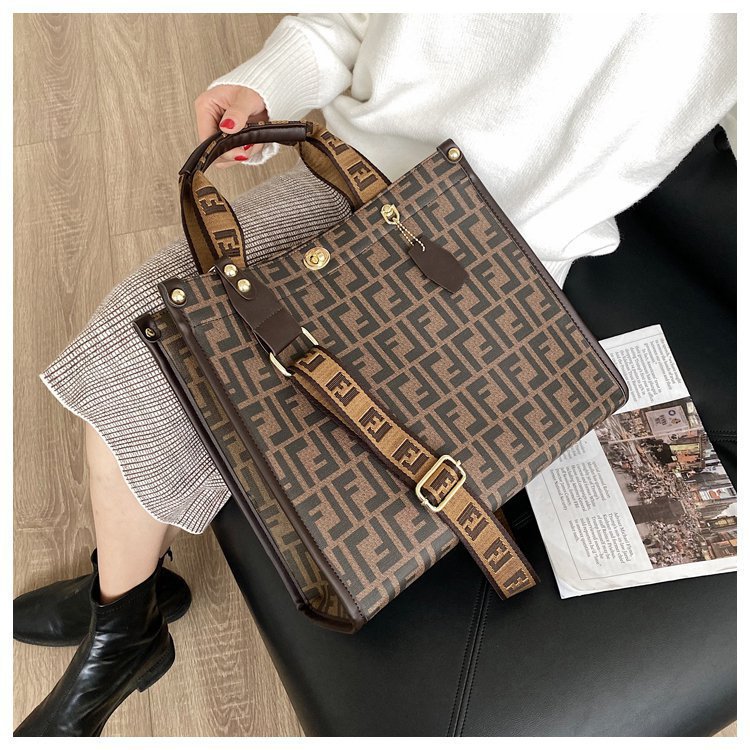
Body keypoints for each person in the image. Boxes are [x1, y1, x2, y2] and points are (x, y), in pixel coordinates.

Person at [14, 13, 736, 737]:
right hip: (361, 179)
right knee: (144, 347)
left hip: (507, 257)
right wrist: (262, 84)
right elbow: (349, 19)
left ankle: (126, 612)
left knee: (191, 375)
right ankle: (126, 608)